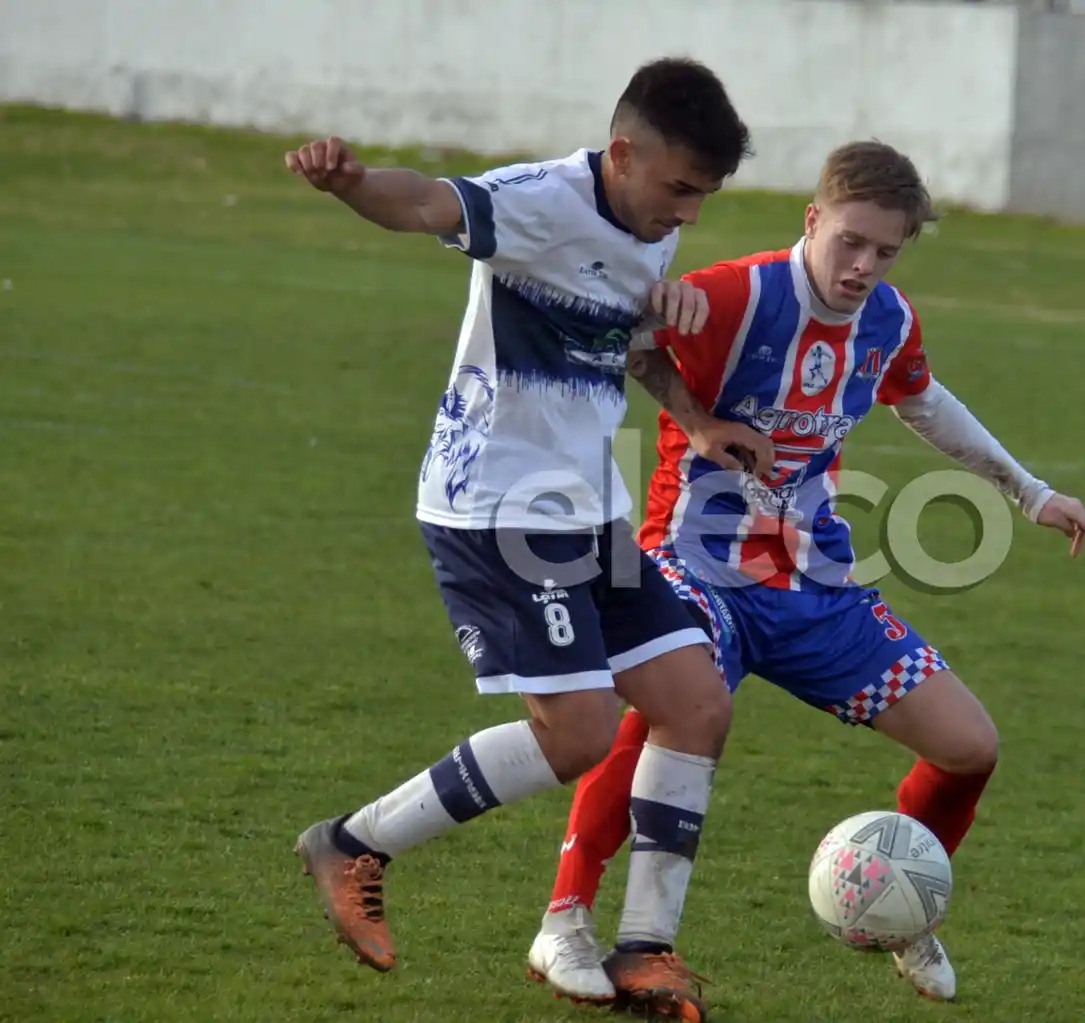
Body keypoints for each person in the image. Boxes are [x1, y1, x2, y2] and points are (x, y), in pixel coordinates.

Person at [523, 140, 1085, 1005]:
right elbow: (625, 337)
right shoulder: (736, 292)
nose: (864, 265)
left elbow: (924, 402)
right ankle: (565, 919)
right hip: (691, 564)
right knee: (660, 717)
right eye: (851, 242)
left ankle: (904, 904)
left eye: (886, 251)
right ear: (813, 220)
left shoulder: (889, 319)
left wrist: (1030, 492)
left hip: (811, 580)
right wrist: (689, 397)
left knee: (968, 748)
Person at [284, 57, 773, 1020]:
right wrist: (350, 185)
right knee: (580, 734)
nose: (689, 215)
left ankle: (644, 951)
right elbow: (424, 201)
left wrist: (699, 418)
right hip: (498, 506)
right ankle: (350, 842)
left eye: (706, 196)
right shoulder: (535, 201)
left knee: (695, 704)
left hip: (588, 507)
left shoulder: (649, 225)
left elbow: (623, 342)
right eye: (679, 188)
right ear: (623, 153)